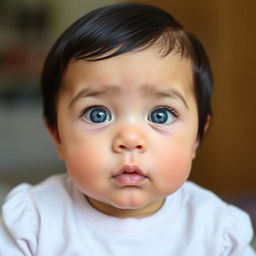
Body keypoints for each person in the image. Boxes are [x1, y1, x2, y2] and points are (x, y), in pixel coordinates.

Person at [0, 2, 254, 255]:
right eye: (97, 114)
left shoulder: (216, 230)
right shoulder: (33, 222)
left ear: (197, 137)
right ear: (58, 137)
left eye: (161, 115)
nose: (130, 139)